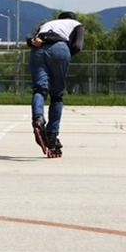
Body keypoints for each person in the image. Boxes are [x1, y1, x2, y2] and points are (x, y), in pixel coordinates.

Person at [25, 11, 84, 158]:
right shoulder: (77, 24)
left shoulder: (46, 24)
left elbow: (29, 37)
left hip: (38, 49)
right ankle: (52, 134)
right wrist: (65, 54)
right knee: (57, 95)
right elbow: (77, 46)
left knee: (40, 89)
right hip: (59, 48)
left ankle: (38, 119)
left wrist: (32, 42)